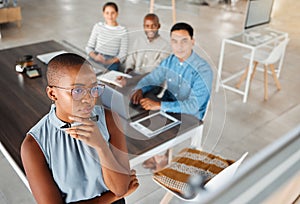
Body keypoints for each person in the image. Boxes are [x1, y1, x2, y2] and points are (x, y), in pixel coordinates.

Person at [21, 53, 139, 204]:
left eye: (93, 88)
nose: (89, 99)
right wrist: (112, 197)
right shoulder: (34, 145)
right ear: (52, 93)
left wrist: (101, 146)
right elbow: (120, 192)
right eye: (77, 90)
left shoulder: (109, 118)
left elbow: (120, 188)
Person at [131, 22, 213, 171]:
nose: (179, 46)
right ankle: (159, 154)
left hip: (190, 116)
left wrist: (160, 106)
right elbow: (154, 77)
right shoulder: (170, 61)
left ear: (192, 42)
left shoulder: (203, 69)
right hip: (168, 106)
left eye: (184, 41)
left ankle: (160, 158)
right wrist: (140, 88)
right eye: (174, 41)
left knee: (154, 124)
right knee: (139, 117)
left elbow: (194, 105)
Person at [86, 2, 128, 71]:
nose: (110, 16)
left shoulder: (122, 31)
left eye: (113, 13)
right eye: (107, 13)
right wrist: (95, 57)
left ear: (117, 13)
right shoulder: (98, 27)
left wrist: (107, 62)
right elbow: (89, 47)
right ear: (103, 14)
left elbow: (122, 55)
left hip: (111, 61)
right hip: (96, 57)